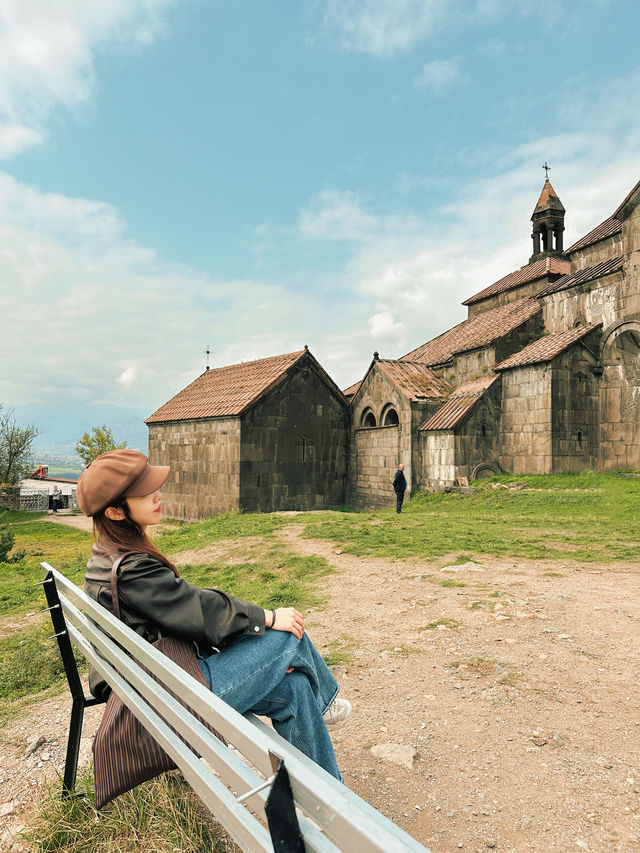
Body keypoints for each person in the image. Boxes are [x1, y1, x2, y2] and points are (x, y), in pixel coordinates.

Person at [77, 449, 350, 781]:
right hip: (173, 701)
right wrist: (265, 617)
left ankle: (331, 795)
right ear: (115, 513)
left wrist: (250, 640)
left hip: (165, 683)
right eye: (145, 493)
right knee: (287, 634)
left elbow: (184, 609)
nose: (158, 495)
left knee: (294, 688)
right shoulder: (130, 568)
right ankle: (328, 703)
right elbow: (197, 609)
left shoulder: (108, 557)